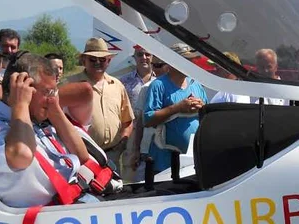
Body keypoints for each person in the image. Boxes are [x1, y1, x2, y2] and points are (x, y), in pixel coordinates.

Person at [0, 52, 99, 208]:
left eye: (54, 91)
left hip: (78, 204)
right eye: (47, 92)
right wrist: (20, 104)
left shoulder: (36, 121)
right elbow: (21, 156)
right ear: (22, 89)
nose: (52, 98)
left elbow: (82, 156)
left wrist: (55, 109)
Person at [64, 38, 134, 173]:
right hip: (83, 155)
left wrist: (123, 143)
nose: (97, 62)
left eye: (102, 59)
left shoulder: (117, 85)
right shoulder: (69, 85)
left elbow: (127, 120)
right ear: (84, 60)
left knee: (113, 192)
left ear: (109, 60)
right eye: (92, 59)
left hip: (113, 155)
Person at [143, 43, 208, 173]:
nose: (191, 64)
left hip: (192, 159)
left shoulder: (196, 85)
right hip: (164, 159)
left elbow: (207, 116)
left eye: (191, 60)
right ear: (173, 61)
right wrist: (178, 107)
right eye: (187, 60)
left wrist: (202, 108)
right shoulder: (158, 85)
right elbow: (148, 119)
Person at [118, 46, 156, 182]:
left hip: (155, 132)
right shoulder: (123, 81)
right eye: (140, 55)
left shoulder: (160, 79)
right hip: (133, 133)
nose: (144, 58)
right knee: (131, 171)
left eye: (147, 54)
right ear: (134, 58)